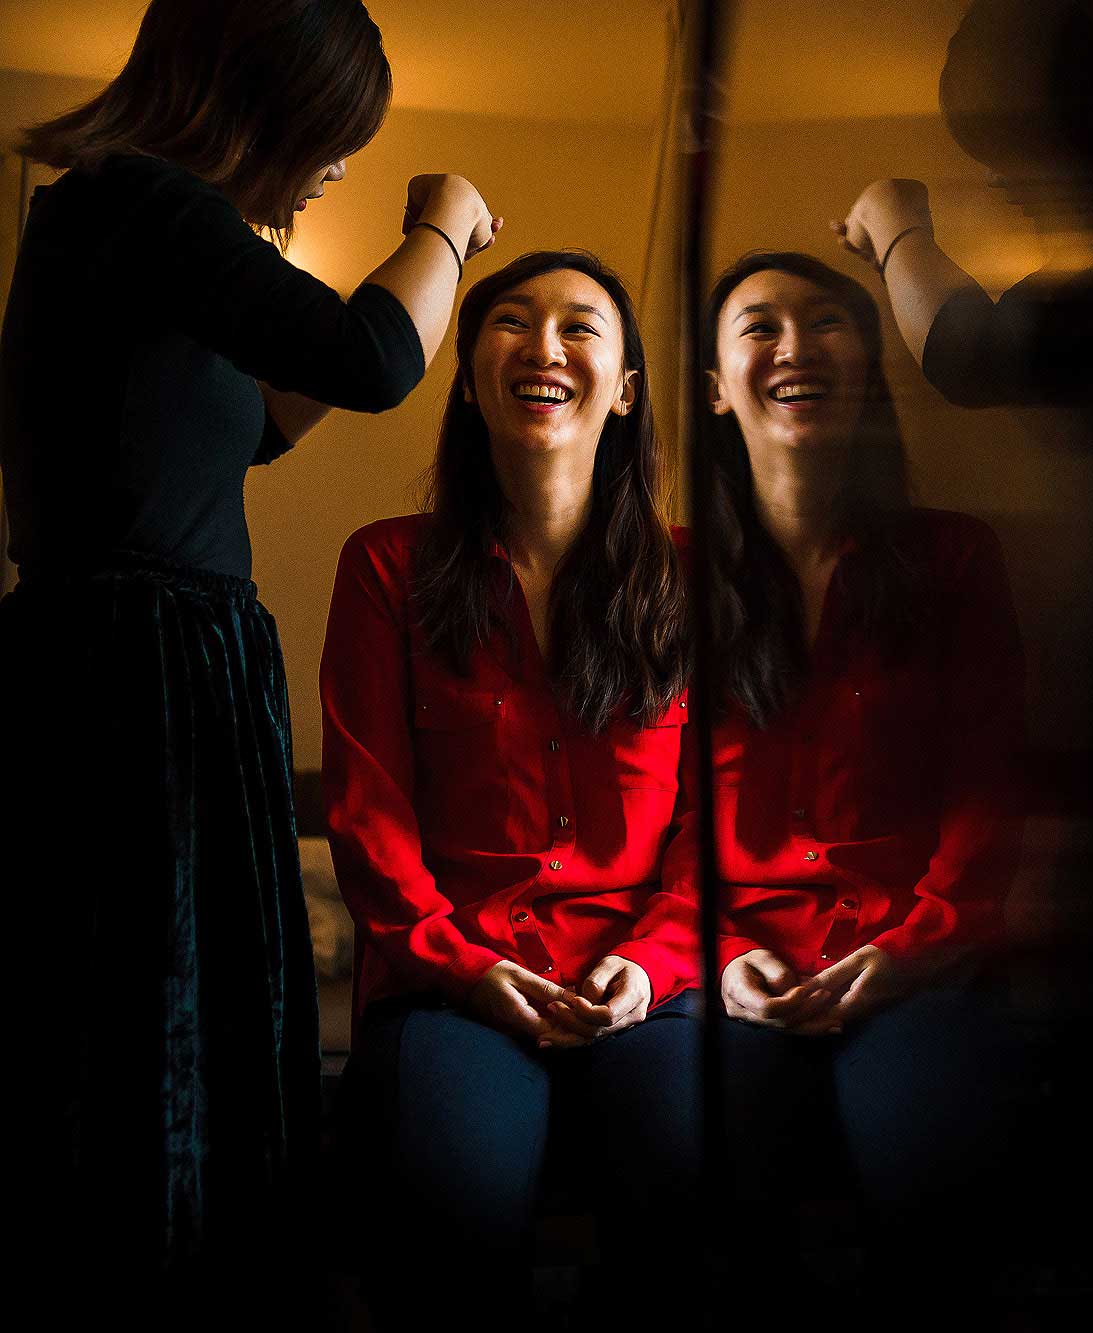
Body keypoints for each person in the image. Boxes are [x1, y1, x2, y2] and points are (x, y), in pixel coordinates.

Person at [0, 0, 497, 1302]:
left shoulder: (129, 234)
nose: (335, 165)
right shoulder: (139, 205)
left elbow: (270, 415)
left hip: (157, 660)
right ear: (263, 102)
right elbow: (371, 357)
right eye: (333, 135)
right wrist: (440, 227)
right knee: (143, 1038)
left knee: (166, 1031)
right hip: (132, 677)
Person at [646, 251, 1027, 1318]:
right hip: (724, 972)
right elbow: (657, 816)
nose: (795, 348)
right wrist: (715, 954)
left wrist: (914, 947)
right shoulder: (662, 577)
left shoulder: (953, 559)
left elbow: (985, 791)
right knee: (699, 1195)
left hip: (915, 961)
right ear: (715, 383)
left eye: (825, 323)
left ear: (865, 362)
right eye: (758, 325)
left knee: (934, 1193)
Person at [320, 249, 694, 1325]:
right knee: (456, 1206)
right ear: (467, 377)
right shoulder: (384, 566)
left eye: (581, 325)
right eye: (511, 322)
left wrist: (649, 961)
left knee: (683, 1180)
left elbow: (716, 821)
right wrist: (465, 967)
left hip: (647, 985)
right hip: (456, 986)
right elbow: (368, 811)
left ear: (624, 387)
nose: (544, 346)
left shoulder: (695, 583)